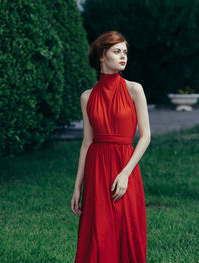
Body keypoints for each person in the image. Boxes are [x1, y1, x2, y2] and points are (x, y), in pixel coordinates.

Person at [71, 31, 151, 263]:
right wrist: (78, 187)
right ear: (101, 55)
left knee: (127, 229)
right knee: (99, 232)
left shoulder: (134, 89)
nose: (123, 56)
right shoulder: (87, 97)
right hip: (96, 168)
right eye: (116, 52)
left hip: (125, 166)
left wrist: (125, 174)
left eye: (125, 52)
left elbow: (145, 137)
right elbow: (86, 143)